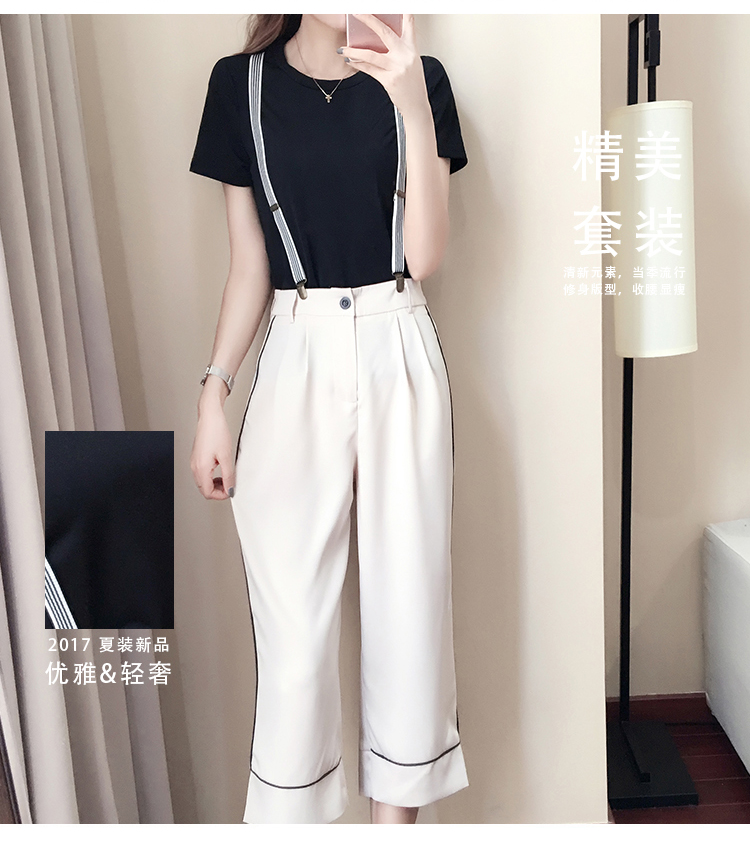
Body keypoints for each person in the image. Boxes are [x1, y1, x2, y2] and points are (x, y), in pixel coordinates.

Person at [189, 13, 468, 825]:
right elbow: (251, 265)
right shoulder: (238, 86)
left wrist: (410, 102)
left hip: (397, 340)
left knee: (409, 618)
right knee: (293, 646)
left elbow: (426, 257)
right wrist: (213, 395)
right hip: (295, 349)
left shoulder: (423, 80)